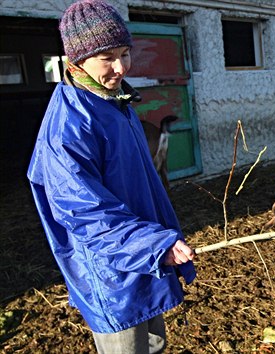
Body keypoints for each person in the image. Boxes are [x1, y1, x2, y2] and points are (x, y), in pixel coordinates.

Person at [26, 0, 196, 352]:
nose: (121, 67)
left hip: (143, 261)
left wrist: (156, 244)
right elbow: (83, 211)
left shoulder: (116, 103)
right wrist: (153, 244)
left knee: (154, 345)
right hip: (112, 275)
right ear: (77, 61)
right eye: (107, 57)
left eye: (125, 53)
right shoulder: (69, 128)